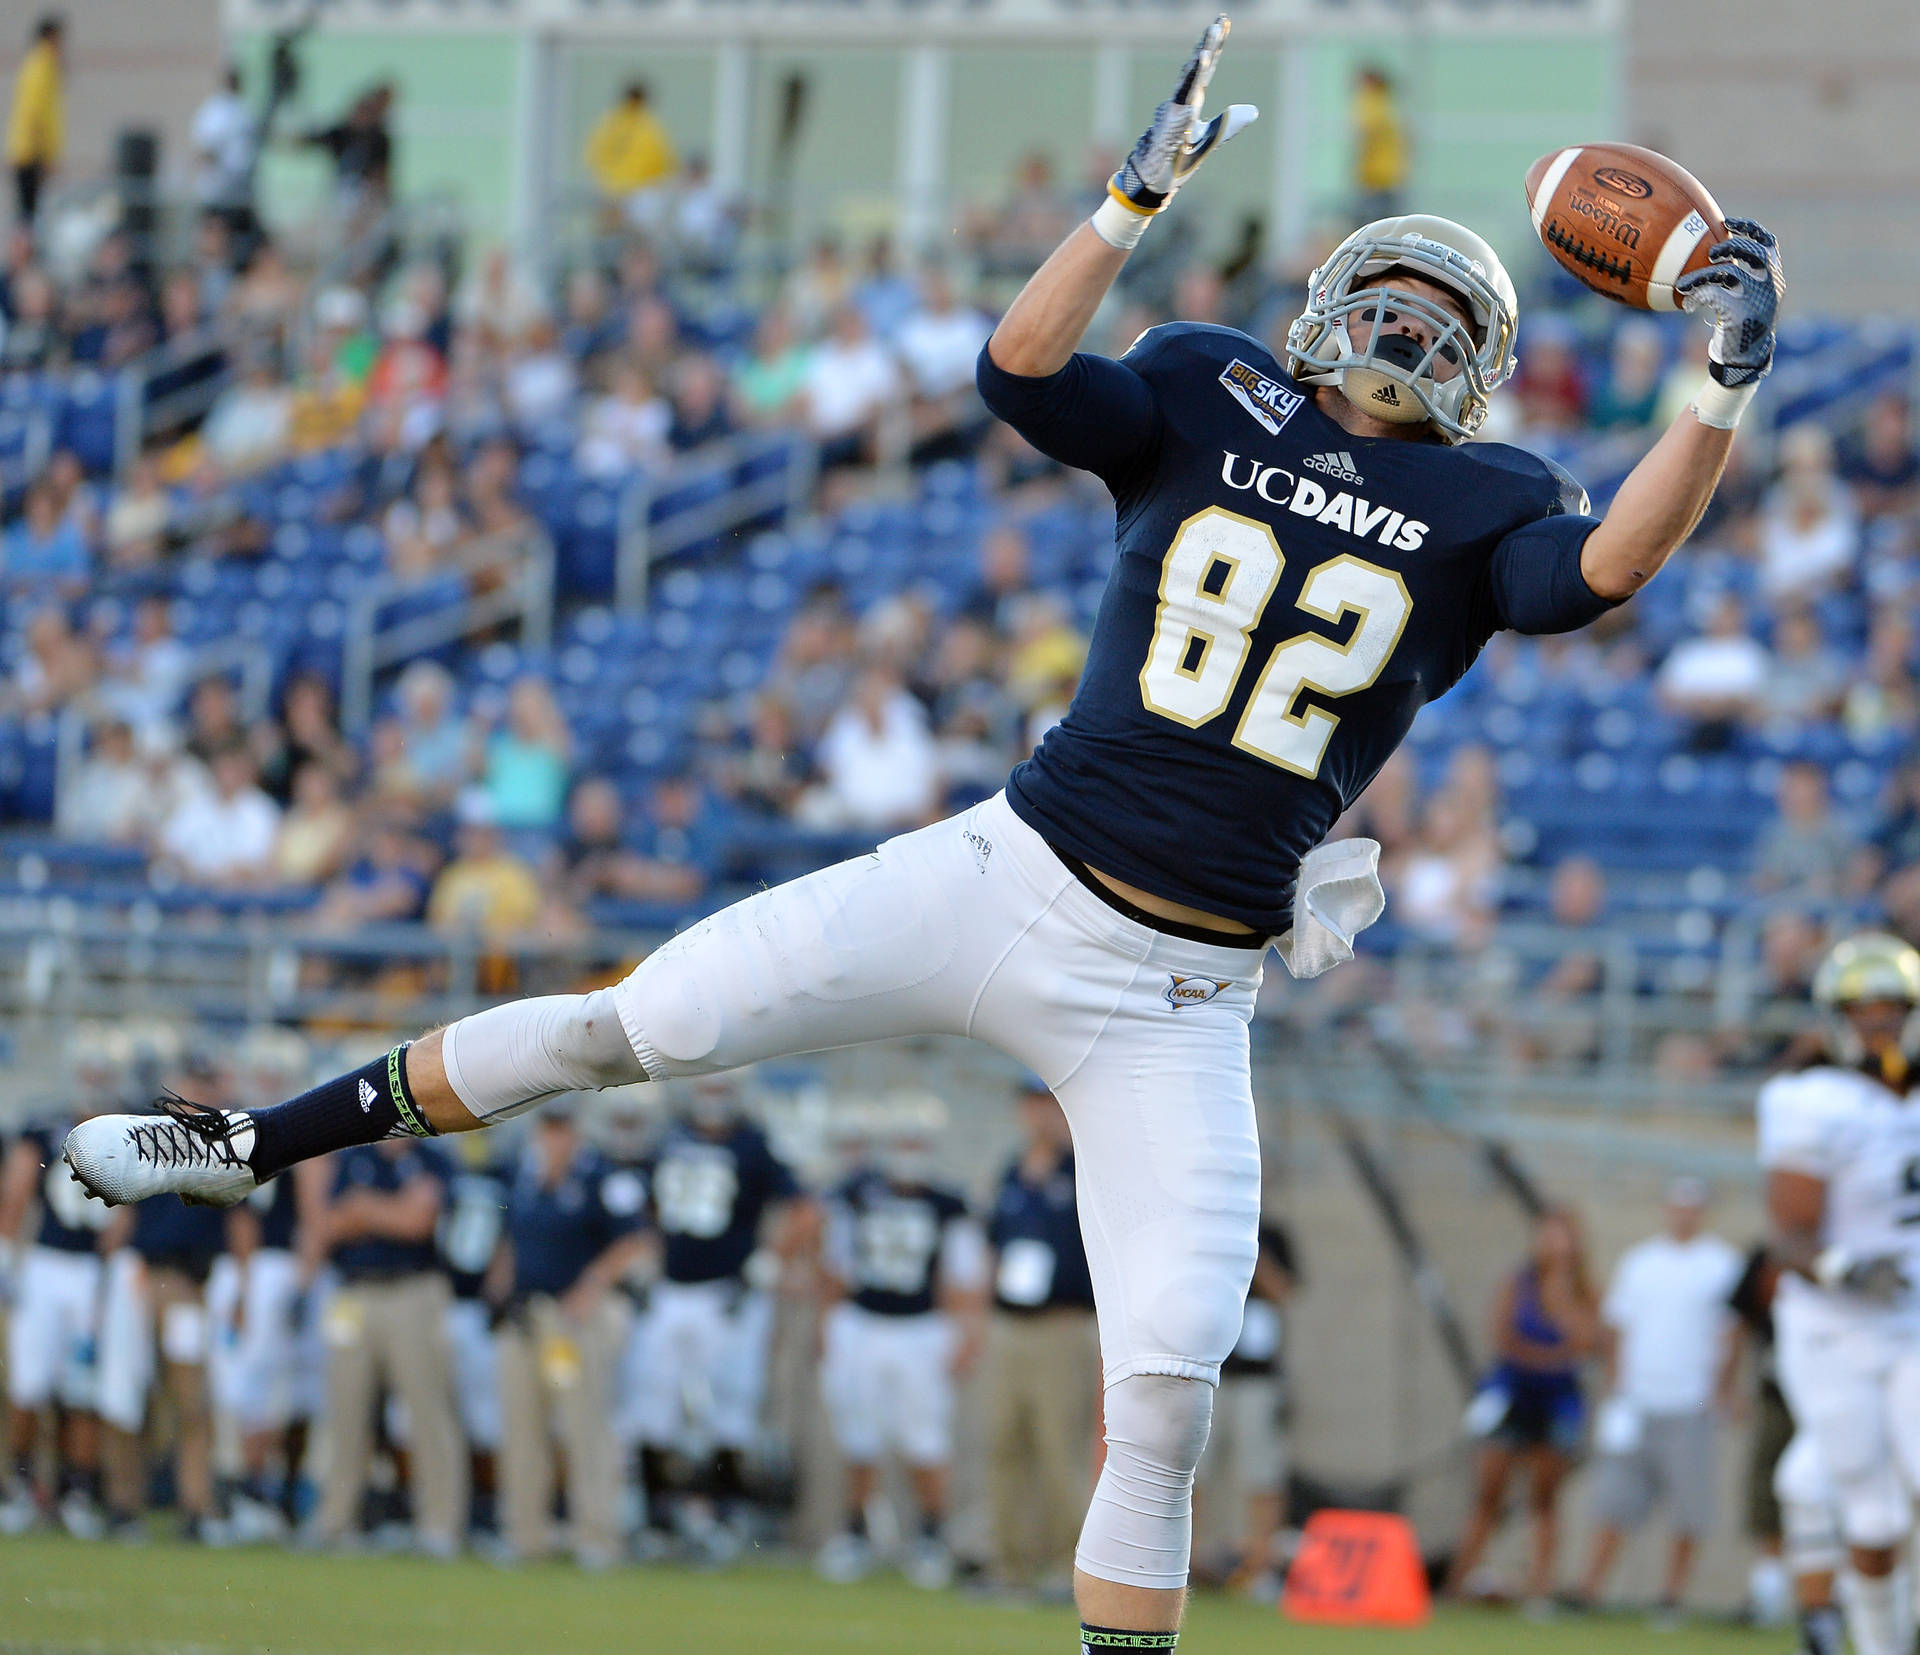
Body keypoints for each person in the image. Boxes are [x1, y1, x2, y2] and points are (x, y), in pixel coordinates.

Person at [66, 17, 1786, 1649]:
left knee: (1172, 1385)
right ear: (1327, 305)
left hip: (1178, 998)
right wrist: (1126, 205)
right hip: (1006, 873)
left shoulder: (1495, 504)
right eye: (1387, 298)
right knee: (643, 1020)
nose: (1407, 333)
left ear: (1481, 371)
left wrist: (1714, 385)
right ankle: (252, 1141)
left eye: (1439, 318)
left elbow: (1613, 570)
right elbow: (1019, 370)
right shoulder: (1209, 388)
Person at [1759, 932, 1920, 1655]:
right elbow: (1789, 1236)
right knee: (1874, 1514)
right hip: (1831, 1327)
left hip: (1912, 1322)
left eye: (1891, 1006)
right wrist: (1848, 1270)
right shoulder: (1810, 1099)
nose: (1877, 1021)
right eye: (1863, 1008)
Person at [625, 1077, 806, 1558]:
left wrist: (766, 1263)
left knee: (727, 1407)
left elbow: (806, 1209)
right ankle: (657, 1516)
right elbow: (646, 1208)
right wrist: (648, 1260)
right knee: (652, 1402)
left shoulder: (755, 1144)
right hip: (669, 1290)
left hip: (728, 1293)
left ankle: (721, 1519)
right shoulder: (671, 1135)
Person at [815, 1129, 987, 1589]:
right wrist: (826, 1325)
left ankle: (932, 1533)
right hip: (862, 1322)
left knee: (924, 1438)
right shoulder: (855, 1193)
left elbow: (963, 1277)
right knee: (858, 1435)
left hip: (921, 1328)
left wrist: (966, 1335)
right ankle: (856, 1530)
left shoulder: (949, 1204)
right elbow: (836, 1267)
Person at [490, 1097, 648, 1567]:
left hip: (574, 1316)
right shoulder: (524, 1173)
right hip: (527, 1313)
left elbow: (636, 1240)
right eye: (548, 1126)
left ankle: (596, 1536)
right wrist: (500, 1289)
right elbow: (511, 1236)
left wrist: (591, 1286)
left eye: (562, 1126)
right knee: (522, 1427)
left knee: (585, 1426)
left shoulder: (606, 1176)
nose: (554, 1135)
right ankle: (525, 1534)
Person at [1576, 1178, 1743, 1621]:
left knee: (1689, 1508)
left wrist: (1723, 1389)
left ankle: (1670, 1597)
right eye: (1677, 1206)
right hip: (1638, 1401)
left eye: (1692, 1208)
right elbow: (1618, 1327)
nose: (1683, 1215)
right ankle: (1589, 1590)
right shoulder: (1641, 1262)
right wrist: (1618, 1388)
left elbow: (1731, 1333)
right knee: (1613, 1500)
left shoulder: (1721, 1264)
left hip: (1691, 1403)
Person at [305, 1132, 466, 1556]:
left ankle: (440, 1525)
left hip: (413, 1292)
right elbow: (327, 1224)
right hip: (355, 1293)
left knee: (427, 1410)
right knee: (345, 1410)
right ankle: (335, 1519)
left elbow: (419, 1223)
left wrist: (364, 1209)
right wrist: (391, 1211)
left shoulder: (433, 1157)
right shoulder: (354, 1156)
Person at [1446, 1207, 1599, 1608]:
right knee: (1488, 1494)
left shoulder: (1583, 1291)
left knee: (1545, 1499)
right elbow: (1504, 1338)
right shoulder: (1519, 1283)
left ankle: (1540, 1589)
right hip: (1513, 1393)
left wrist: (1561, 1298)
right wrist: (1548, 1357)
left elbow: (1586, 1343)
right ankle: (1458, 1584)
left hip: (1557, 1401)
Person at [983, 1080, 1100, 1596]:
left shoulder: (1086, 1169)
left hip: (1062, 1324)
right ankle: (1009, 1566)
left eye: (1048, 1105)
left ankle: (1066, 1568)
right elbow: (995, 1244)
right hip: (1012, 1325)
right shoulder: (1013, 1171)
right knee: (1004, 1445)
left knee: (1059, 1449)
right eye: (1032, 1105)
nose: (1039, 1116)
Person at [0, 1039, 119, 1537]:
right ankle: (20, 1490)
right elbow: (16, 1193)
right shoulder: (47, 1128)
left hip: (91, 1269)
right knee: (28, 1384)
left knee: (83, 1390)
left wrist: (111, 1270)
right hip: (47, 1266)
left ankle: (75, 1492)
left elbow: (125, 1212)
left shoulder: (124, 1131)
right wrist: (8, 1262)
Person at [1202, 1215, 1300, 1599]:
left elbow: (1283, 1291)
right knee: (1196, 1474)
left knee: (1261, 1474)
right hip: (1212, 1369)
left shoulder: (1273, 1233)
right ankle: (1189, 1563)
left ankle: (1261, 1566)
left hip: (1257, 1376)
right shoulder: (1208, 1226)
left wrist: (1251, 1252)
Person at [583, 83, 679, 220]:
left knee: (615, 229)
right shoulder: (648, 126)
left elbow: (594, 154)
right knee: (637, 231)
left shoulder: (610, 123)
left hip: (613, 187)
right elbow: (664, 161)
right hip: (638, 190)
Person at [6, 15, 62, 226]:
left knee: (28, 212)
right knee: (28, 214)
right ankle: (25, 253)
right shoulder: (42, 66)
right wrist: (43, 154)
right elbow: (35, 113)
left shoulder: (35, 64)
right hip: (31, 154)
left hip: (27, 151)